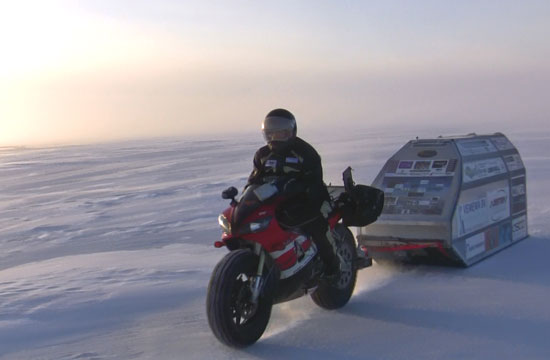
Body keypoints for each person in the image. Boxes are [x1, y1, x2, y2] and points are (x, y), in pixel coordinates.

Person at [246, 108, 341, 276]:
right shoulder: (263, 154)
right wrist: (247, 195)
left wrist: (296, 187)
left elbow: (314, 183)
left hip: (307, 198)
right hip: (274, 201)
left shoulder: (305, 152)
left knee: (317, 225)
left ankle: (333, 266)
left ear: (291, 131)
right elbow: (254, 179)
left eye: (281, 132)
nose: (275, 136)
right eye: (271, 132)